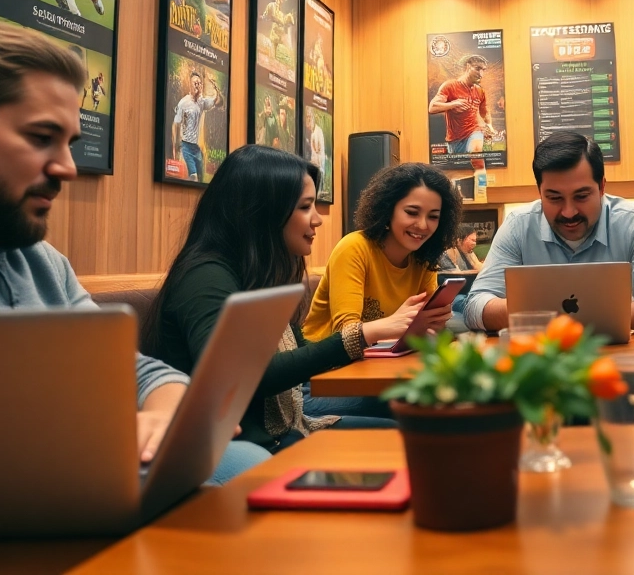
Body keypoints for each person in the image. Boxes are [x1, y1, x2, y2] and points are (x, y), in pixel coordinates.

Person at [0, 18, 265, 484]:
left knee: (251, 464)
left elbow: (133, 371)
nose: (68, 168)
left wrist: (167, 412)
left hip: (80, 493)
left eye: (69, 143)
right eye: (40, 138)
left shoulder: (41, 262)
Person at [142, 146, 399, 453]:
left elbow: (302, 354)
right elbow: (246, 375)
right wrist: (361, 335)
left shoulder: (259, 273)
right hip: (240, 446)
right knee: (399, 439)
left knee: (402, 430)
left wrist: (379, 342)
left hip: (288, 428)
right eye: (305, 207)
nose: (317, 220)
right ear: (262, 212)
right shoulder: (205, 277)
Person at [464, 131, 634, 332]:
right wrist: (547, 316)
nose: (569, 212)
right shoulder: (518, 226)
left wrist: (568, 318)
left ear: (601, 188)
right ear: (540, 193)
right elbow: (474, 306)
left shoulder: (633, 223)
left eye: (581, 196)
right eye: (554, 198)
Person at [303, 163, 458, 414]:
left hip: (379, 373)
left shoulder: (425, 260)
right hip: (321, 380)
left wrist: (432, 330)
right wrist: (395, 325)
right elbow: (345, 333)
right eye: (412, 212)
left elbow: (421, 333)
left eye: (433, 216)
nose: (422, 225)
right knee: (413, 405)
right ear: (388, 210)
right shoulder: (354, 248)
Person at [429, 54, 495, 155]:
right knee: (460, 166)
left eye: (483, 70)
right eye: (477, 69)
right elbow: (432, 107)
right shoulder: (450, 85)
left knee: (476, 154)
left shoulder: (480, 91)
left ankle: (480, 170)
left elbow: (485, 111)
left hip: (474, 132)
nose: (481, 74)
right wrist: (453, 104)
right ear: (468, 66)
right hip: (454, 140)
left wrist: (489, 125)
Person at [173, 68, 222, 181]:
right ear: (190, 85)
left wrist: (215, 87)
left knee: (201, 179)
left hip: (196, 148)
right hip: (186, 146)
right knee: (193, 177)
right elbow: (176, 123)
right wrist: (176, 144)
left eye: (199, 83)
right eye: (195, 83)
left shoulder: (202, 102)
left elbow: (217, 101)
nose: (197, 85)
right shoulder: (183, 102)